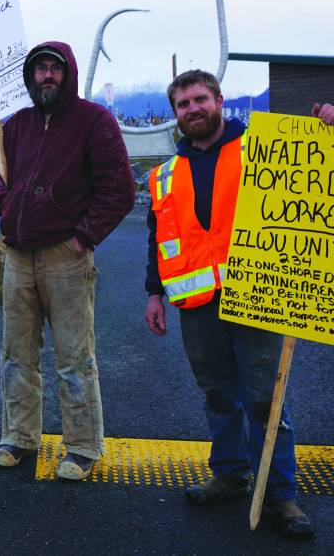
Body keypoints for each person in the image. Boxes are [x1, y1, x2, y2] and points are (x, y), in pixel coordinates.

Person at [144, 71, 331, 538]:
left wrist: (324, 132)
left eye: (200, 98)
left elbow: (313, 178)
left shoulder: (261, 151)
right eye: (183, 103)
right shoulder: (164, 175)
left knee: (266, 400)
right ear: (176, 113)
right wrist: (153, 293)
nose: (193, 108)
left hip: (258, 296)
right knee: (217, 395)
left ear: (220, 100)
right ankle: (230, 474)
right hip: (197, 305)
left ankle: (279, 494)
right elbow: (158, 237)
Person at [0, 41, 135, 480]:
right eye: (39, 70)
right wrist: (0, 202)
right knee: (17, 355)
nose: (47, 76)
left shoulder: (93, 122)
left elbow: (118, 189)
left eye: (54, 69)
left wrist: (83, 238)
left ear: (67, 74)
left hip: (65, 256)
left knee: (73, 356)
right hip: (17, 255)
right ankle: (18, 437)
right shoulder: (15, 125)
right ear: (30, 78)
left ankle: (82, 445)